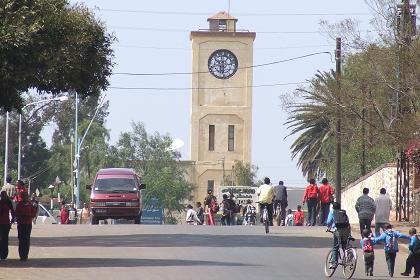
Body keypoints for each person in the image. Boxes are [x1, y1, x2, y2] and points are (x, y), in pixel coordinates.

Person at [326, 202, 351, 269]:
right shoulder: (343, 212)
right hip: (346, 230)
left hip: (337, 230)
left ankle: (334, 263)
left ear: (333, 207)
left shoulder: (332, 212)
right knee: (344, 246)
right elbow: (347, 222)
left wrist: (329, 227)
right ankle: (348, 257)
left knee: (335, 247)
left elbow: (328, 221)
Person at [15, 192, 37, 261]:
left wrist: (29, 215)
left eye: (26, 196)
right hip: (21, 224)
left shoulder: (30, 205)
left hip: (28, 224)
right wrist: (23, 215)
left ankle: (25, 255)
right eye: (24, 196)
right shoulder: (19, 205)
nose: (25, 197)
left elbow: (34, 213)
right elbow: (16, 213)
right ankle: (21, 255)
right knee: (21, 239)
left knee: (26, 239)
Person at [0, 190, 14, 260]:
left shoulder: (8, 202)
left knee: (5, 239)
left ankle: (4, 254)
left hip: (6, 223)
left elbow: (12, 211)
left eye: (4, 195)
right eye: (2, 195)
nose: (3, 197)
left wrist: (12, 220)